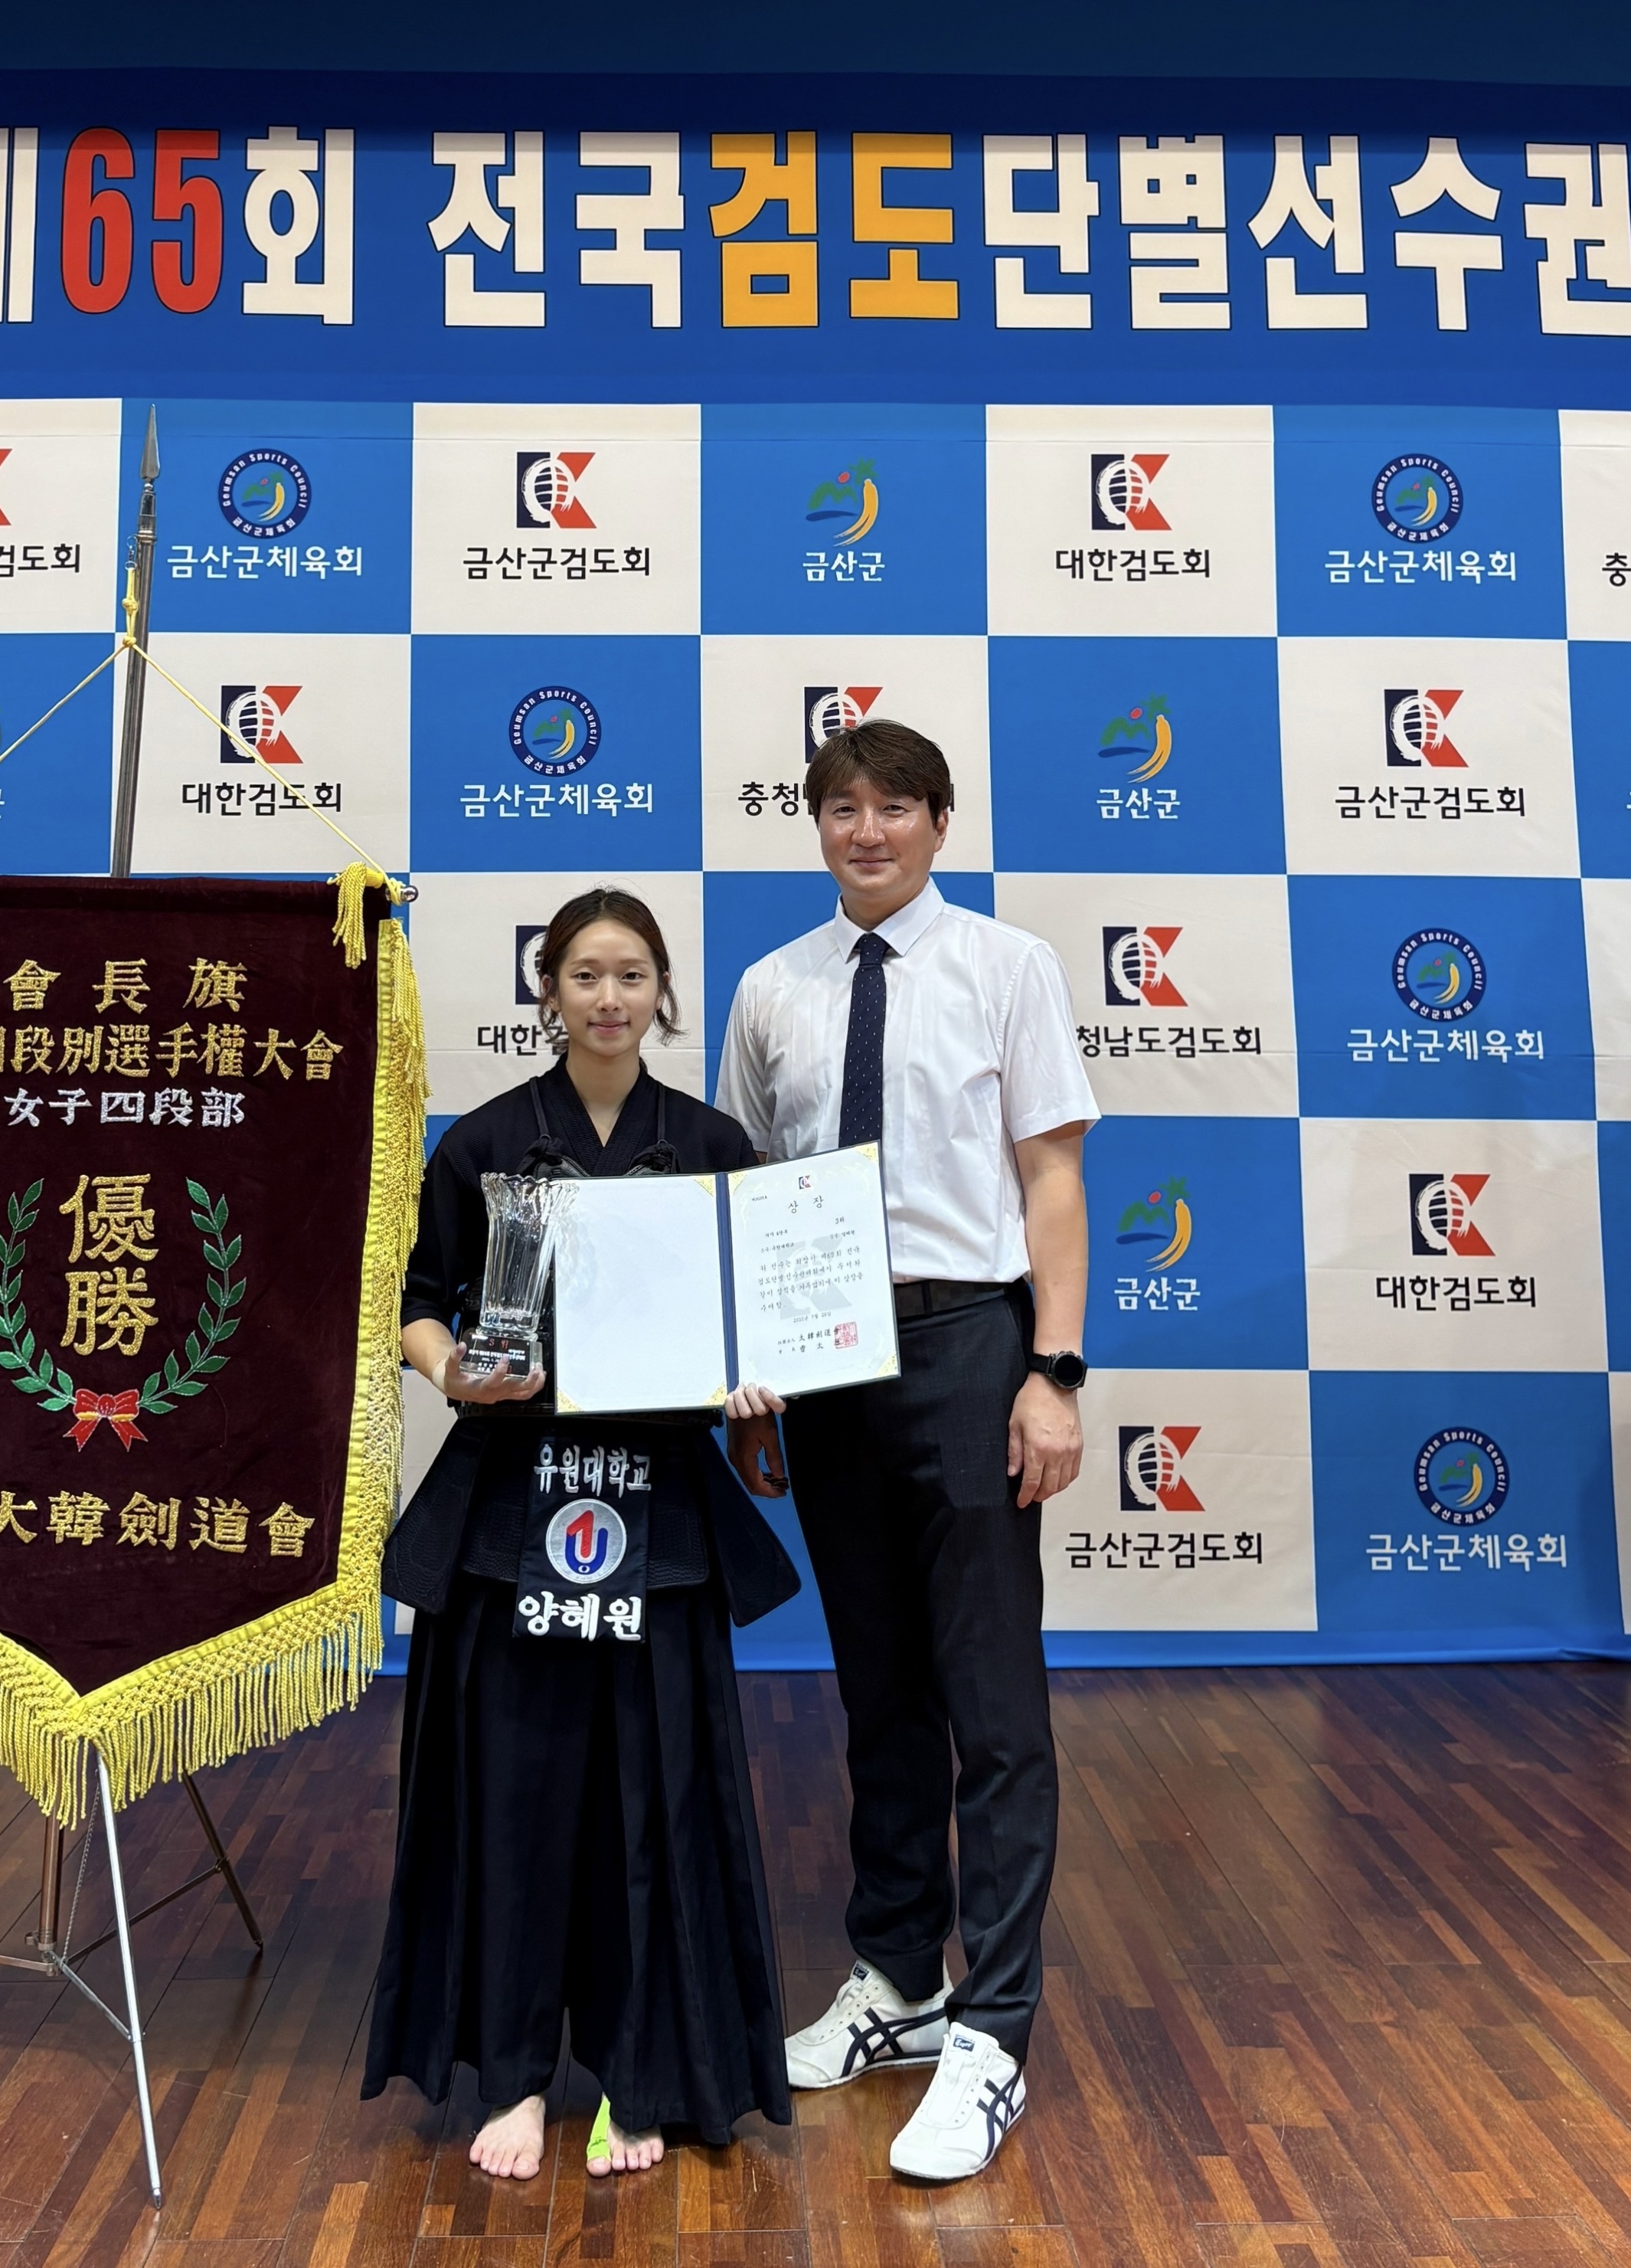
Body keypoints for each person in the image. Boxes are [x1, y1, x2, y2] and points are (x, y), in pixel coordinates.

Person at [364, 886, 798, 2185]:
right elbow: (416, 1305)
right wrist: (453, 1371)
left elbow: (765, 1313)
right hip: (511, 1507)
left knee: (653, 1798)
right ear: (546, 990)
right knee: (515, 1792)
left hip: (658, 1513)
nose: (609, 998)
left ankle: (639, 2073)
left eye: (632, 976)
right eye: (585, 975)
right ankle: (509, 2073)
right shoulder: (487, 1143)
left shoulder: (711, 1145)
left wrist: (760, 1376)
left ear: (662, 994)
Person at [716, 719, 1095, 2185]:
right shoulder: (773, 988)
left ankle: (991, 2028)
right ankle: (895, 1981)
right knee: (876, 1692)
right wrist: (751, 1384)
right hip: (821, 1362)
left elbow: (1050, 1179)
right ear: (815, 826)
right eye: (840, 808)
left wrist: (1051, 1371)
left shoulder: (1007, 966)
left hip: (967, 1347)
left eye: (893, 808)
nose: (865, 831)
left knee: (990, 1704)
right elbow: (752, 1196)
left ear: (940, 822)